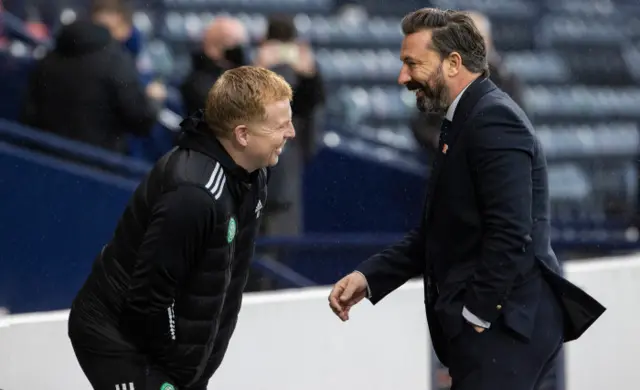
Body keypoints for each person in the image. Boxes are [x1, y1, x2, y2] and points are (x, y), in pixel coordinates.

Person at [328, 8, 605, 390]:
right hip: (495, 325)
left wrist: (476, 315)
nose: (402, 77)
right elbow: (437, 232)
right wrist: (369, 277)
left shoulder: (493, 119)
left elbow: (510, 231)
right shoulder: (464, 118)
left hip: (504, 326)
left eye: (412, 63)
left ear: (453, 63)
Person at [68, 66, 295, 390]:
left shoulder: (253, 172)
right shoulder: (194, 195)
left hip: (175, 358)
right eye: (281, 125)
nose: (291, 133)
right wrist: (177, 370)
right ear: (242, 134)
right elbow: (149, 298)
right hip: (120, 341)